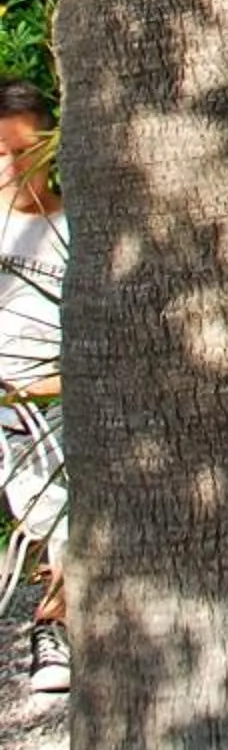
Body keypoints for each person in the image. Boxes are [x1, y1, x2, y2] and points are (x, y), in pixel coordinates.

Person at [0, 80, 68, 694]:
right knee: (53, 514)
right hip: (12, 408)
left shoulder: (80, 227)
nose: (15, 165)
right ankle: (54, 622)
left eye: (26, 149)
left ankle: (57, 623)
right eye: (2, 152)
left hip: (70, 398)